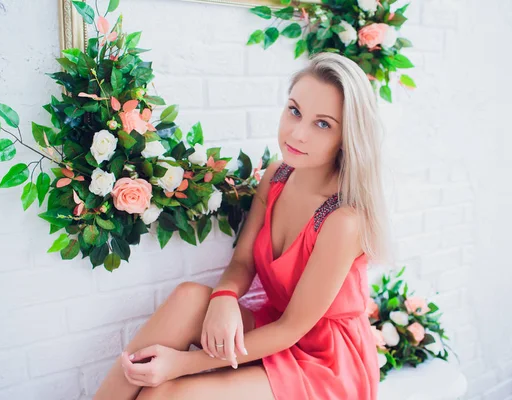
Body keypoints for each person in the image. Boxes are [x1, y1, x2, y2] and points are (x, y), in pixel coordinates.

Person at [94, 51, 392, 400]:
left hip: (325, 363)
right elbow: (244, 261)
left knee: (166, 393)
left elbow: (293, 328)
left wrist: (179, 364)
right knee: (190, 297)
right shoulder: (277, 177)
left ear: (347, 137)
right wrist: (223, 297)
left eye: (322, 124)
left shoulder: (345, 219)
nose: (297, 133)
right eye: (294, 111)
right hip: (273, 327)